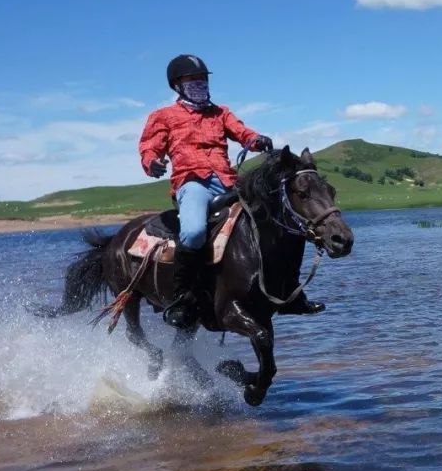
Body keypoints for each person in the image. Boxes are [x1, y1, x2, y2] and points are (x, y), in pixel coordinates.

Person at [138, 54, 323, 327]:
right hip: (192, 182)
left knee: (279, 219)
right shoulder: (164, 116)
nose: (200, 84)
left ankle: (290, 291)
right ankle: (183, 297)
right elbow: (149, 147)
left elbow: (242, 132)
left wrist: (256, 140)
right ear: (177, 85)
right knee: (194, 231)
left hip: (227, 181)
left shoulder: (221, 113)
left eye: (203, 80)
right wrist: (152, 162)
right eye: (193, 81)